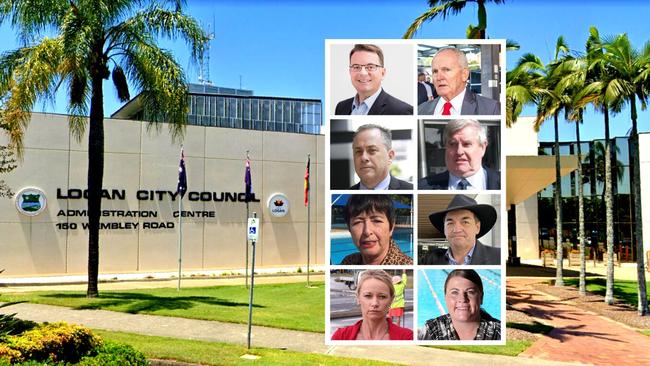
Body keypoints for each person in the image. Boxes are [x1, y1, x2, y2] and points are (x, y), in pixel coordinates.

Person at [419, 269, 500, 340]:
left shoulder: (498, 332)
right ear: (445, 297)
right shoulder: (432, 330)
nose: (462, 299)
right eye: (454, 292)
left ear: (481, 297)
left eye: (470, 292)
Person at [419, 119, 500, 190]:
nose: (459, 151)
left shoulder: (504, 182)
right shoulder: (422, 187)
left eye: (466, 144)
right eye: (453, 144)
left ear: (482, 147)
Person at [332, 269, 413, 340]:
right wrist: (404, 272)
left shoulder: (408, 337)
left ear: (391, 300)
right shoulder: (341, 336)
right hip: (399, 305)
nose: (375, 303)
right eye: (368, 296)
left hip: (397, 306)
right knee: (398, 317)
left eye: (382, 297)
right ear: (358, 298)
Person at [420, 194, 500, 265]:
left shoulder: (498, 257)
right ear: (444, 229)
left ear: (477, 227)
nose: (457, 229)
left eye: (465, 222)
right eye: (450, 223)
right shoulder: (430, 260)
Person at [418, 48, 499, 115]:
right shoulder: (421, 110)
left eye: (446, 70)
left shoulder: (490, 109)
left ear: (464, 74)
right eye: (435, 71)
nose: (439, 77)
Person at [335, 44, 413, 115]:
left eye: (370, 67)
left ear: (382, 73)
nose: (363, 73)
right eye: (356, 67)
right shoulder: (341, 107)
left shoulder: (402, 111)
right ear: (350, 72)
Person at [340, 195, 413, 265]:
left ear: (391, 227)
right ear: (349, 228)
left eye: (377, 221)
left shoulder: (407, 264)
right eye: (358, 222)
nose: (367, 231)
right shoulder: (348, 261)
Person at [350, 124, 412, 190]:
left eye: (372, 150)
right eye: (358, 151)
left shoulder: (411, 192)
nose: (364, 158)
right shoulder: (342, 197)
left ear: (390, 156)